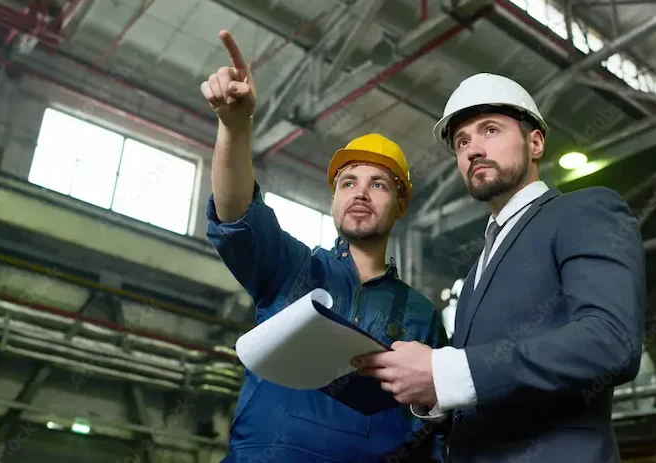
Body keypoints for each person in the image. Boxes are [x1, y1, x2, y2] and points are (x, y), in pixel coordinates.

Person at [352, 73, 646, 462]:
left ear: (535, 141)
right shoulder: (475, 274)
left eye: (490, 130)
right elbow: (483, 385)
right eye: (462, 141)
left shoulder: (583, 211)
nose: (473, 150)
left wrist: (448, 370)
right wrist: (433, 391)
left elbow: (612, 341)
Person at [201, 30, 449, 463]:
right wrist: (234, 126)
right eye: (348, 182)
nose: (360, 193)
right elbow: (236, 212)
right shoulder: (291, 268)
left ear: (401, 204)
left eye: (378, 185)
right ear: (333, 199)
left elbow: (436, 426)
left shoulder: (422, 316)